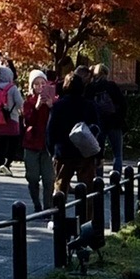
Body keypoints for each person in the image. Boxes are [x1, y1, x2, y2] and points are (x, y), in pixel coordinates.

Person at [48, 69, 94, 197]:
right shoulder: (89, 105)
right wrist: (99, 153)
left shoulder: (58, 106)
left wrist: (52, 150)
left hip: (63, 151)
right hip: (85, 151)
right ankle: (87, 216)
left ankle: (59, 214)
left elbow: (51, 130)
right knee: (87, 190)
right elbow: (97, 129)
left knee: (60, 187)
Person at [21, 69, 55, 212]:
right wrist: (36, 107)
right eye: (36, 84)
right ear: (32, 86)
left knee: (49, 179)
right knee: (32, 177)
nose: (40, 87)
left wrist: (51, 106)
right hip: (32, 143)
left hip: (47, 144)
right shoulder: (28, 102)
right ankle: (37, 204)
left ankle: (48, 207)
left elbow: (58, 120)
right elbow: (28, 121)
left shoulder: (54, 101)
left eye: (43, 83)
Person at [87, 65, 126, 179]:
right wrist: (120, 118)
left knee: (98, 154)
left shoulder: (91, 88)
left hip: (98, 124)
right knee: (117, 154)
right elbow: (123, 104)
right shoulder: (112, 86)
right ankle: (116, 180)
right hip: (114, 123)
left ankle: (98, 181)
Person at [0, 62, 24, 176]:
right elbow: (20, 103)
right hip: (12, 119)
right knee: (13, 143)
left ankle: (0, 162)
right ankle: (7, 164)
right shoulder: (12, 88)